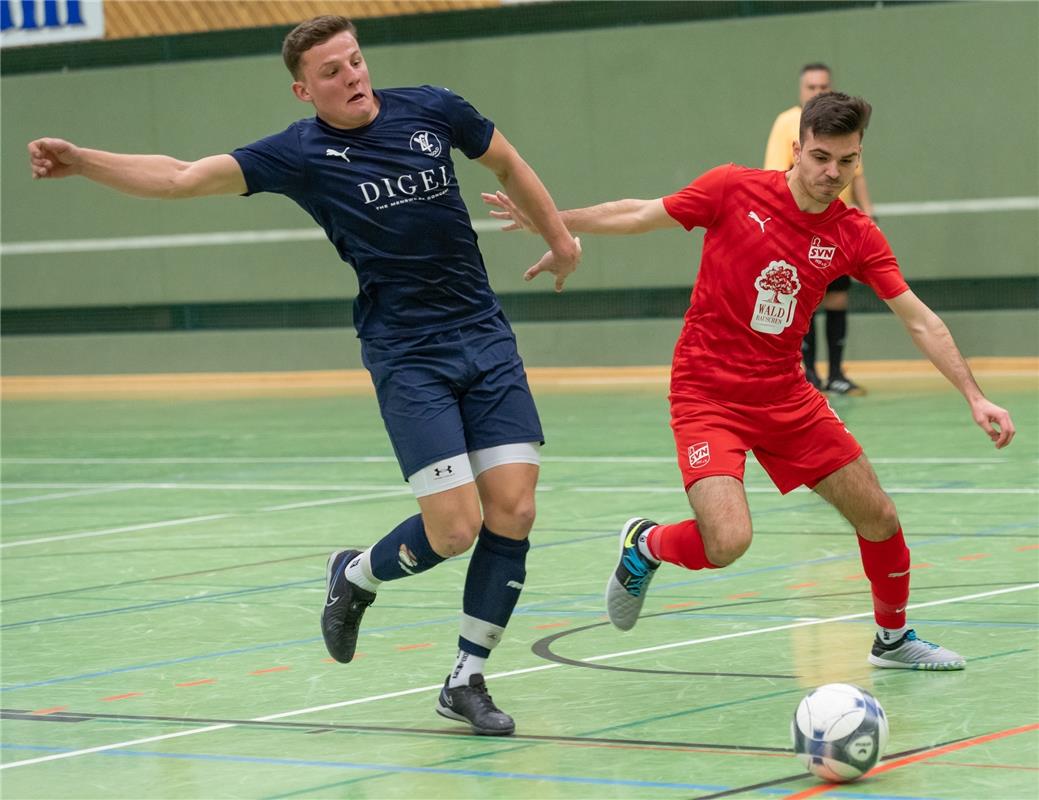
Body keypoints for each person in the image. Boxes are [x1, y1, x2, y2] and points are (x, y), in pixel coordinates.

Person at [28, 15, 581, 736]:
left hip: (482, 336)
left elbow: (507, 164)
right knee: (454, 530)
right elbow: (180, 177)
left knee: (515, 510)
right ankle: (356, 575)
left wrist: (561, 238)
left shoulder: (433, 109)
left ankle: (466, 678)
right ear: (303, 89)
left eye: (354, 61)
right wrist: (82, 160)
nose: (351, 76)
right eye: (331, 72)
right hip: (406, 352)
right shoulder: (301, 153)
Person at [485, 92, 1014, 671]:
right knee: (728, 541)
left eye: (848, 161)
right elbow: (640, 212)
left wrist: (974, 394)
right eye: (820, 158)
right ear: (796, 151)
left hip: (786, 395)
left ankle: (892, 641)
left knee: (880, 516)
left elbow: (920, 320)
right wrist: (553, 222)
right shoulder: (733, 189)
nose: (832, 173)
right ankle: (647, 545)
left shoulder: (854, 234)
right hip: (707, 393)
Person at [765, 63, 874, 395]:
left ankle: (837, 372)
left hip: (837, 227)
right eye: (811, 87)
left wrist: (868, 214)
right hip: (801, 227)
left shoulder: (843, 129)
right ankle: (809, 373)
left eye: (823, 86)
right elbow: (774, 172)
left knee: (838, 298)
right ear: (801, 90)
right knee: (806, 300)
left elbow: (856, 175)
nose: (818, 92)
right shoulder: (788, 123)